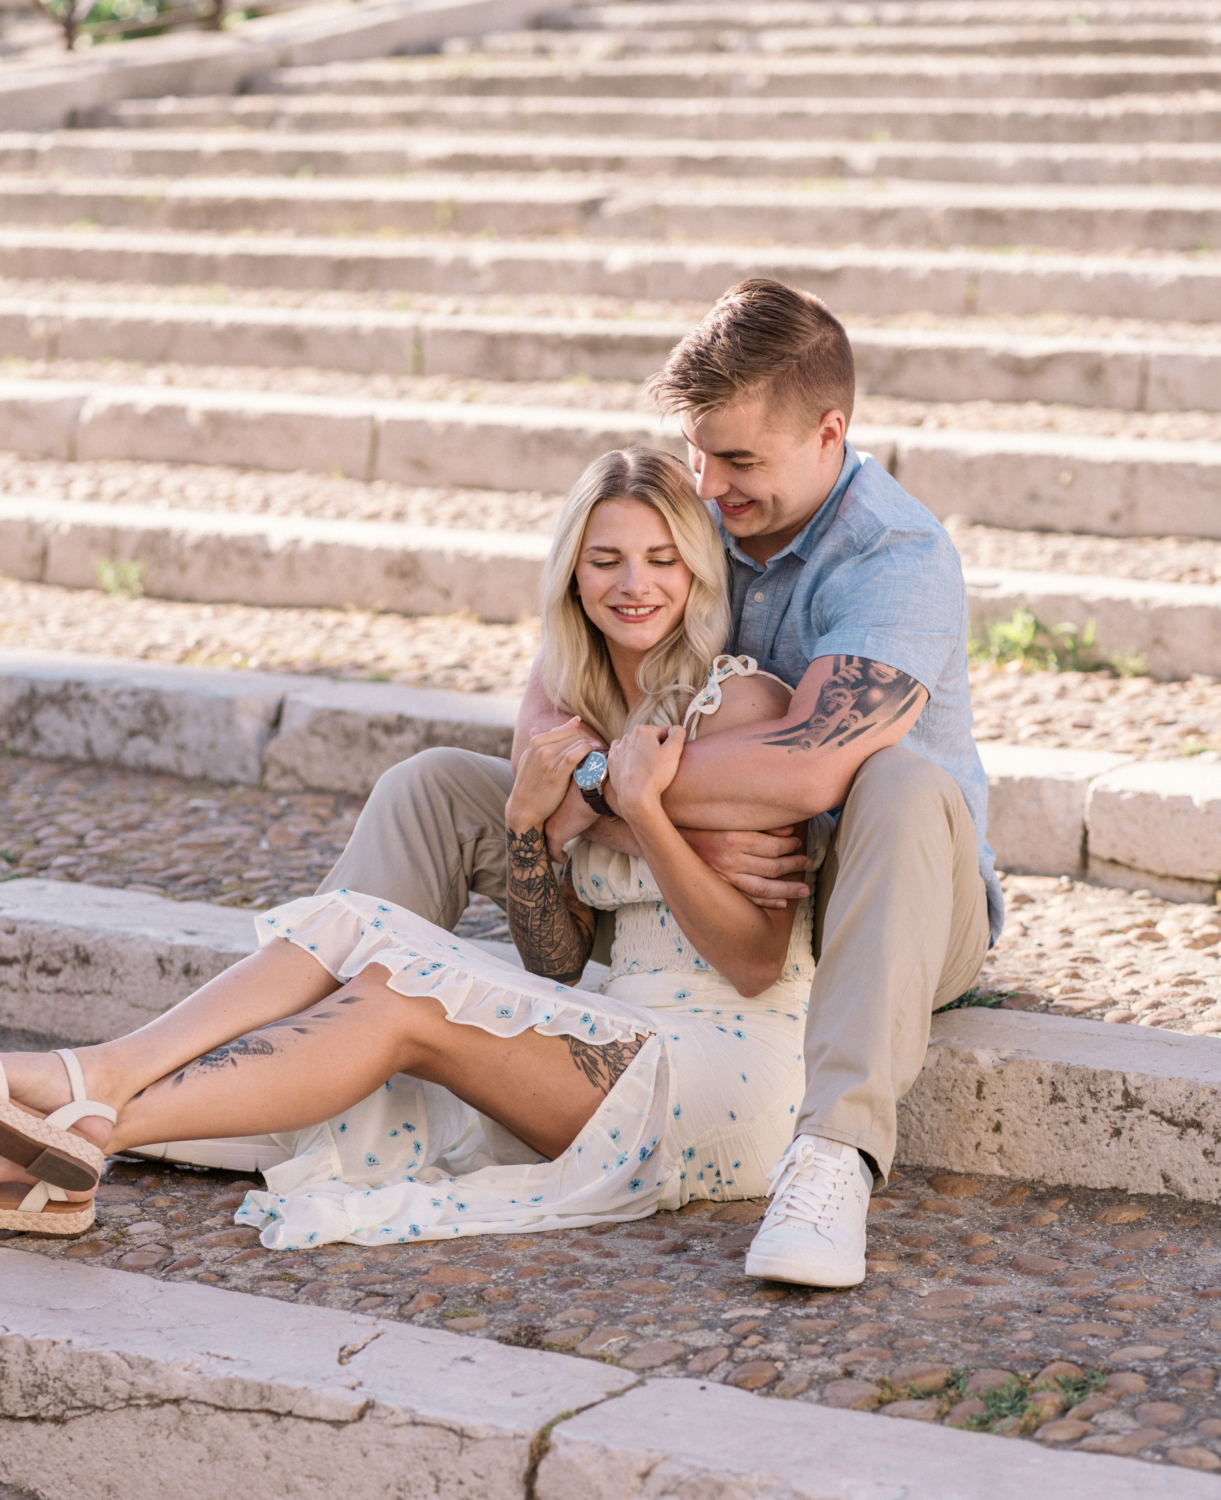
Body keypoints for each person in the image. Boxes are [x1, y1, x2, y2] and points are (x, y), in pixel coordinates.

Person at [305, 278, 1001, 1288]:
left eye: (739, 459)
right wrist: (610, 786)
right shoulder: (697, 506)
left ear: (828, 433)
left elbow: (809, 769)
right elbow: (546, 724)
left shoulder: (896, 559)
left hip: (885, 896)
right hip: (712, 861)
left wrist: (619, 795)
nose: (708, 487)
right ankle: (300, 1053)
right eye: (696, 451)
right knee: (435, 786)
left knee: (895, 782)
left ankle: (834, 1158)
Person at [0, 449, 821, 1257]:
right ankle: (92, 1104)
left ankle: (96, 1099)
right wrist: (531, 831)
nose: (633, 585)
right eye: (604, 560)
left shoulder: (744, 702)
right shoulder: (583, 715)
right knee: (361, 931)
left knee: (397, 996)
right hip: (621, 1021)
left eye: (660, 560)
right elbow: (555, 959)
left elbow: (754, 964)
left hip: (728, 1074)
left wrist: (642, 810)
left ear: (697, 573)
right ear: (573, 575)